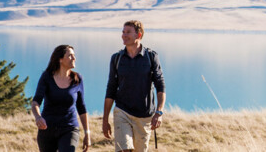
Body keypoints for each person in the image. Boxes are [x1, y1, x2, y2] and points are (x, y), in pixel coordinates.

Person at [102, 20, 166, 152]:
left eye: (128, 32)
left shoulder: (151, 57)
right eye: (123, 32)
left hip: (145, 116)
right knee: (123, 149)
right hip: (122, 112)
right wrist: (105, 119)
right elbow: (111, 89)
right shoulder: (116, 58)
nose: (124, 35)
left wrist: (159, 112)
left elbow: (160, 85)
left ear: (139, 35)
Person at [31, 45, 91, 152]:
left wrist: (87, 133)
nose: (74, 58)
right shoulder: (47, 77)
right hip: (47, 129)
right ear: (60, 59)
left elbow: (81, 107)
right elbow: (36, 101)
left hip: (69, 129)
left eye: (74, 55)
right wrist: (38, 117)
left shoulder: (77, 79)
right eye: (70, 56)